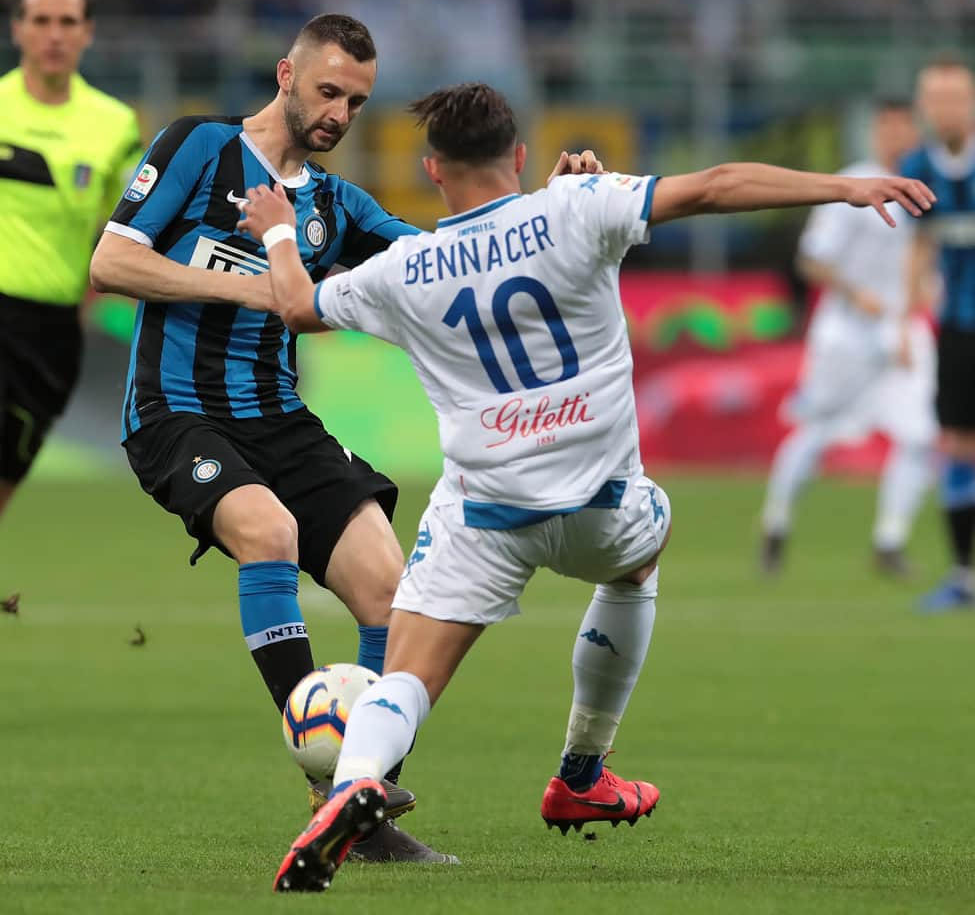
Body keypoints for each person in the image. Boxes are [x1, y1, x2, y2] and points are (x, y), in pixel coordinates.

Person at [233, 82, 934, 893]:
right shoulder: (578, 206)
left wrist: (280, 231)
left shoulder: (402, 269)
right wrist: (844, 187)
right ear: (520, 155)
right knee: (646, 547)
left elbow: (295, 305)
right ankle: (580, 772)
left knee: (407, 677)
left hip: (487, 517)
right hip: (601, 507)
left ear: (432, 170)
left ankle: (355, 781)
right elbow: (711, 187)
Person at [89, 14, 596, 862]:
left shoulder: (333, 203)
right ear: (286, 73)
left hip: (280, 419)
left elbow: (456, 256)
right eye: (327, 91)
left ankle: (363, 815)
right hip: (177, 413)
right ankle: (329, 784)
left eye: (355, 102)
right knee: (270, 533)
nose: (338, 113)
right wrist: (250, 290)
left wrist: (546, 202)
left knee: (392, 597)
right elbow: (111, 262)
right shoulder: (197, 147)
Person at [760, 100, 936, 578]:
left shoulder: (928, 185)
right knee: (816, 432)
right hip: (848, 333)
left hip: (902, 328)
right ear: (876, 133)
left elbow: (928, 255)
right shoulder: (854, 185)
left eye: (904, 127)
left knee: (919, 436)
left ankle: (890, 540)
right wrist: (856, 294)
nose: (896, 136)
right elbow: (811, 259)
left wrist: (920, 299)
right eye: (887, 127)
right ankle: (776, 523)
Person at [0, 0, 141, 517]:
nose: (53, 34)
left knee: (8, 471)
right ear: (17, 28)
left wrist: (88, 299)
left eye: (67, 21)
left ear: (87, 31)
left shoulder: (113, 124)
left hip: (52, 333)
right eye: (40, 20)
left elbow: (125, 228)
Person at [900, 56, 975, 612]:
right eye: (936, 99)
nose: (946, 108)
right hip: (957, 328)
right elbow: (920, 248)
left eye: (956, 97)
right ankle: (962, 575)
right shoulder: (918, 164)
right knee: (955, 443)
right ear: (924, 107)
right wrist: (908, 319)